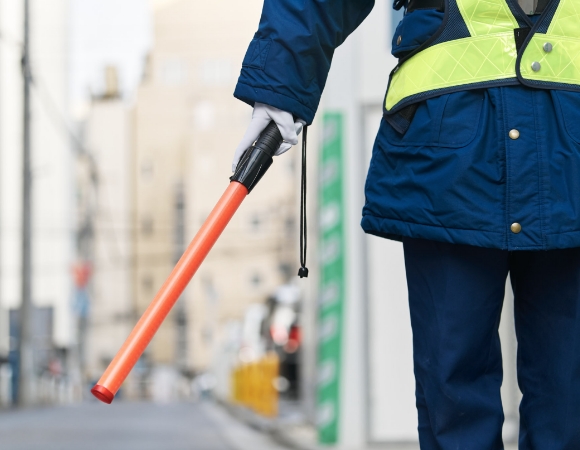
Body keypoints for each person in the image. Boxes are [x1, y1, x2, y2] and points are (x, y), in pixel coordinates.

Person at [232, 0, 580, 448]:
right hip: (453, 162)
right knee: (455, 396)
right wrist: (279, 83)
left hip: (538, 153)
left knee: (567, 396)